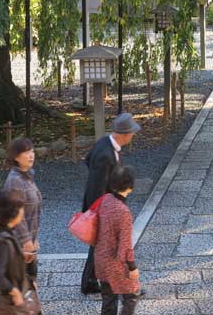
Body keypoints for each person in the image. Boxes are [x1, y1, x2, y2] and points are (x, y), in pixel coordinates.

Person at [81, 113, 141, 295]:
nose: (133, 136)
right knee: (107, 245)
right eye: (132, 133)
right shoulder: (106, 155)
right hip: (102, 206)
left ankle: (89, 282)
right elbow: (95, 188)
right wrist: (98, 213)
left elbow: (86, 159)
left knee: (99, 245)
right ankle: (118, 285)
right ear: (125, 134)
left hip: (104, 204)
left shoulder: (104, 143)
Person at [0, 190, 41, 314]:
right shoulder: (2, 241)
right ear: (14, 214)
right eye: (21, 209)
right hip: (4, 301)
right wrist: (15, 292)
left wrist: (20, 256)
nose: (23, 212)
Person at [95, 166, 140, 315]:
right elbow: (125, 244)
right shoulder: (123, 212)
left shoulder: (106, 199)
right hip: (115, 263)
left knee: (108, 299)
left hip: (100, 259)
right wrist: (132, 267)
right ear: (130, 186)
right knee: (132, 295)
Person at [3, 138, 42, 281]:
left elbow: (33, 210)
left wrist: (34, 238)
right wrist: (27, 241)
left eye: (32, 151)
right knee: (22, 280)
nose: (31, 155)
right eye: (26, 152)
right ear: (16, 157)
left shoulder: (27, 175)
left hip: (27, 238)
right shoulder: (15, 180)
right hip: (18, 241)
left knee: (28, 279)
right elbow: (15, 214)